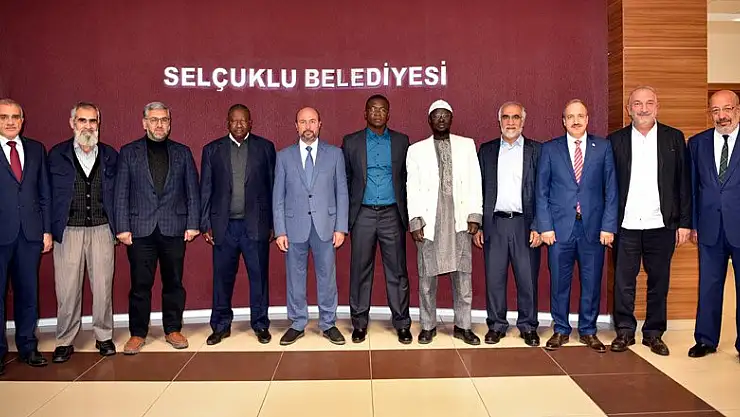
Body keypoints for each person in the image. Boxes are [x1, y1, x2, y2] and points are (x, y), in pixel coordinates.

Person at [608, 86, 691, 356]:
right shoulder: (615, 140)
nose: (643, 109)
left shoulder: (674, 138)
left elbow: (683, 183)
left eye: (649, 103)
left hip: (661, 225)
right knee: (623, 282)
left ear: (657, 106)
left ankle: (654, 333)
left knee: (659, 282)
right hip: (626, 226)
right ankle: (624, 331)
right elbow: (607, 187)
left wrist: (684, 223)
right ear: (628, 109)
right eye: (637, 104)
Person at [114, 102, 200, 355]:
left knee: (174, 283)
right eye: (154, 120)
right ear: (144, 123)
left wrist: (193, 223)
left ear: (170, 123)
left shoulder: (182, 153)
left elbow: (192, 191)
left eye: (164, 120)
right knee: (140, 285)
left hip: (174, 228)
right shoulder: (129, 152)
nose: (159, 124)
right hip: (140, 230)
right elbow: (121, 193)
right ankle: (137, 333)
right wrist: (122, 227)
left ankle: (173, 329)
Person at [536, 99, 617, 352]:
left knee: (591, 282)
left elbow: (611, 190)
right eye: (570, 116)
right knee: (559, 282)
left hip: (593, 229)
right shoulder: (550, 149)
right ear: (563, 121)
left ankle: (588, 330)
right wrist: (545, 226)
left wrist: (608, 226)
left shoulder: (603, 147)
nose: (576, 121)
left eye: (580, 116)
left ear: (587, 119)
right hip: (559, 230)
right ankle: (561, 329)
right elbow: (541, 191)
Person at [406, 99, 482, 345]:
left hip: (459, 219)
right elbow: (412, 187)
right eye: (436, 115)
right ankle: (428, 326)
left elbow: (475, 181)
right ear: (429, 120)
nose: (441, 119)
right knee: (427, 279)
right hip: (430, 221)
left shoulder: (466, 145)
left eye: (445, 115)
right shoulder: (416, 150)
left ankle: (463, 326)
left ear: (451, 118)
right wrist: (415, 220)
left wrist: (475, 215)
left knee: (463, 278)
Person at [48, 102, 119, 363]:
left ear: (98, 124)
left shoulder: (110, 155)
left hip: (102, 229)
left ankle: (104, 336)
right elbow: (46, 194)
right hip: (68, 230)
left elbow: (119, 193)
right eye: (82, 120)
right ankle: (65, 340)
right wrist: (48, 230)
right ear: (72, 123)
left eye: (92, 121)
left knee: (103, 287)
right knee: (67, 290)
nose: (87, 126)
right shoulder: (56, 154)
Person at [200, 104, 276, 345]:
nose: (239, 124)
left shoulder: (265, 148)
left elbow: (273, 187)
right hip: (224, 227)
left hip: (256, 225)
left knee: (259, 278)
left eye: (244, 120)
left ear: (250, 122)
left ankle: (260, 324)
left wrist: (274, 223)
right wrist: (205, 223)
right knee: (222, 279)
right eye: (234, 120)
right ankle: (220, 326)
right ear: (228, 123)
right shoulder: (212, 150)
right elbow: (206, 188)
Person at [273, 107, 349, 346]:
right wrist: (280, 230)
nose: (308, 126)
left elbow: (342, 192)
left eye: (312, 121)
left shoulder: (335, 154)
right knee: (295, 278)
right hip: (294, 227)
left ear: (320, 124)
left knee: (327, 277)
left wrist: (341, 227)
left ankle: (328, 323)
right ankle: (297, 323)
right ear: (296, 126)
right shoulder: (283, 156)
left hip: (326, 226)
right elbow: (278, 196)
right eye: (303, 122)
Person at [341, 94, 412, 344]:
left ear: (388, 114)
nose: (377, 113)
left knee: (397, 271)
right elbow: (345, 180)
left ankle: (402, 323)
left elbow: (407, 178)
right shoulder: (351, 142)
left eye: (382, 109)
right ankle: (359, 323)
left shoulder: (402, 141)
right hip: (363, 214)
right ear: (365, 113)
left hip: (392, 213)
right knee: (360, 271)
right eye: (373, 109)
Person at [475, 101, 542, 346]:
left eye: (515, 117)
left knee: (527, 279)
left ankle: (528, 326)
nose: (510, 122)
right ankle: (496, 325)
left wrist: (539, 225)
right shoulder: (487, 151)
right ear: (499, 121)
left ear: (523, 121)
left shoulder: (537, 150)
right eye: (506, 117)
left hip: (526, 224)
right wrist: (479, 225)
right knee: (494, 278)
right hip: (495, 224)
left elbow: (543, 191)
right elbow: (478, 189)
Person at [687, 90, 740, 360]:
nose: (722, 116)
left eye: (727, 109)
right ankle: (706, 340)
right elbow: (692, 188)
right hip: (709, 227)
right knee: (708, 286)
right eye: (716, 110)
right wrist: (693, 223)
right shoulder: (697, 143)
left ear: (738, 110)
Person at [0, 98, 52, 374]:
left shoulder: (36, 149)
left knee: (28, 293)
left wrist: (46, 230)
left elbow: (44, 193)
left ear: (22, 120)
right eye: (3, 117)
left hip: (30, 235)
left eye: (15, 117)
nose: (10, 122)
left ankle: (27, 347)